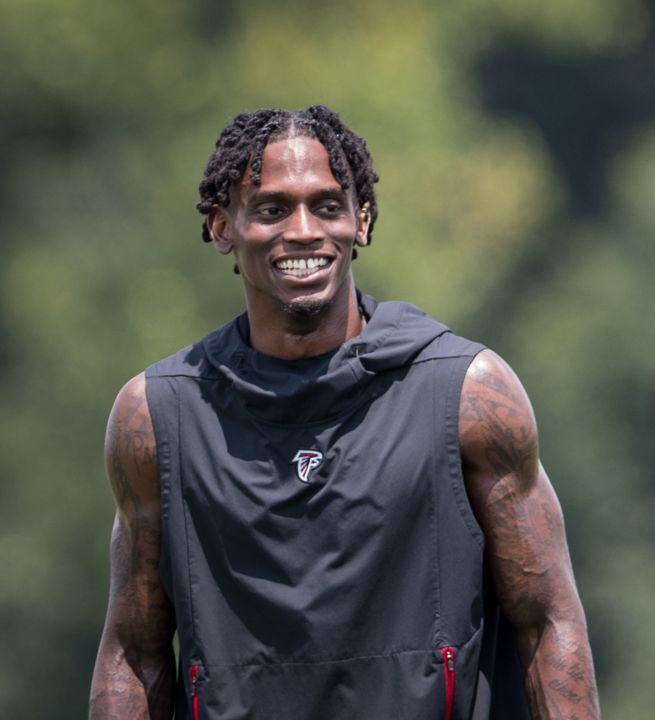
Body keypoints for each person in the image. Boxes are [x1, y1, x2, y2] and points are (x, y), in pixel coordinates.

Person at [89, 105, 600, 719]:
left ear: (361, 221)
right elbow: (133, 651)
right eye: (273, 208)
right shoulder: (157, 416)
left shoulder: (468, 394)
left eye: (327, 206)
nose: (303, 230)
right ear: (223, 227)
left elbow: (549, 623)